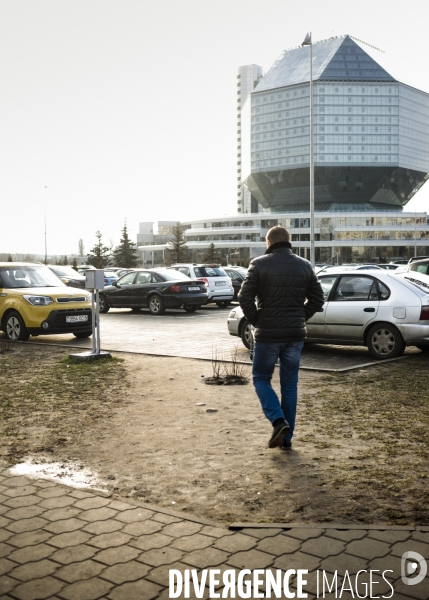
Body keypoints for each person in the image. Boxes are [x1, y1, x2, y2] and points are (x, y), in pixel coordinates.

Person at [238, 226, 324, 450]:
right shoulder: (305, 265)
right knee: (289, 386)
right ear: (289, 242)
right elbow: (317, 299)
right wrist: (299, 317)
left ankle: (278, 421)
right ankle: (287, 439)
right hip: (295, 335)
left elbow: (244, 297)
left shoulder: (259, 264)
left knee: (260, 378)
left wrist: (257, 320)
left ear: (269, 243)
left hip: (268, 335)